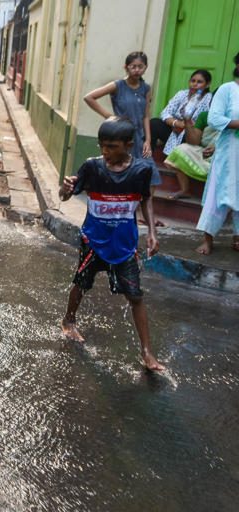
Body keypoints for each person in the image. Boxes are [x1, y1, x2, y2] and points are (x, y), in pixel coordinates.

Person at [59, 117, 165, 372]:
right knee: (81, 282)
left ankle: (147, 352)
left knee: (135, 295)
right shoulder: (92, 167)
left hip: (125, 242)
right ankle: (68, 320)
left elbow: (146, 201)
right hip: (93, 238)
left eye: (112, 147)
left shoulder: (141, 170)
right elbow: (64, 196)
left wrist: (151, 232)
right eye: (102, 146)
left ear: (128, 145)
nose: (105, 152)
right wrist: (64, 188)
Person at [195, 52, 239, 255]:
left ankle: (237, 237)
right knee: (218, 191)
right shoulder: (228, 90)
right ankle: (207, 239)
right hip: (229, 151)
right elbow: (214, 118)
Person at [84, 51, 154, 160]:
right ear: (126, 67)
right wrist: (109, 116)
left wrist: (148, 141)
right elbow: (89, 98)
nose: (137, 70)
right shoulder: (118, 85)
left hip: (138, 137)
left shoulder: (146, 88)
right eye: (133, 67)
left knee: (146, 170)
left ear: (146, 67)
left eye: (140, 67)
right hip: (121, 136)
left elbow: (145, 116)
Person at [150, 69, 213, 156]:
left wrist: (187, 126)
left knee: (187, 135)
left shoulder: (209, 99)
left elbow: (206, 123)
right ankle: (147, 156)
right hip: (174, 128)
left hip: (191, 134)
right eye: (193, 81)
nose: (194, 84)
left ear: (207, 84)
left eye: (199, 82)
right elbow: (165, 113)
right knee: (154, 123)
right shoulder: (182, 94)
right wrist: (176, 123)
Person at [163, 111, 218, 199]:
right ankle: (185, 190)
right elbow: (194, 142)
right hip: (205, 153)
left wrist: (217, 148)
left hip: (225, 154)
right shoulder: (205, 115)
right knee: (180, 150)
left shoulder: (234, 119)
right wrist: (187, 122)